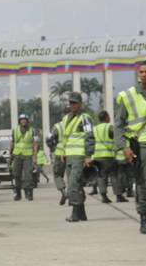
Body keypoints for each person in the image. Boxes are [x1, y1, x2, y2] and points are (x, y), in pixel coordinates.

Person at [113, 60, 146, 236]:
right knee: (142, 182)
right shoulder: (127, 96)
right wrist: (123, 147)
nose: (143, 75)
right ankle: (144, 219)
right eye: (141, 72)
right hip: (141, 144)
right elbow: (118, 124)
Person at [60, 92, 95, 222]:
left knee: (74, 184)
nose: (72, 105)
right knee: (76, 185)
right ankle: (82, 213)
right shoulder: (67, 118)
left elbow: (89, 136)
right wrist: (63, 152)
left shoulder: (85, 118)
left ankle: (75, 213)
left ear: (81, 103)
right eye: (70, 102)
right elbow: (65, 137)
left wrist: (88, 155)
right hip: (69, 156)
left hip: (80, 156)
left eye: (75, 102)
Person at [92, 110, 124, 203]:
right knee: (114, 175)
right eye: (109, 116)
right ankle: (118, 196)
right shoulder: (109, 127)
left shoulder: (95, 129)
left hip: (97, 156)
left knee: (101, 176)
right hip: (108, 155)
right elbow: (117, 136)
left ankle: (104, 196)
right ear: (106, 118)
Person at [8, 113, 39, 201]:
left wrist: (35, 157)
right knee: (16, 174)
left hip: (28, 155)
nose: (23, 121)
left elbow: (36, 144)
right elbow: (12, 142)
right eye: (21, 119)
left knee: (28, 175)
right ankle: (18, 194)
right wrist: (10, 153)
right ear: (19, 121)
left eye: (25, 119)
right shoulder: (15, 130)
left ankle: (29, 193)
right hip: (17, 155)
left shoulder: (33, 130)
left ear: (28, 121)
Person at [47, 107, 71, 205]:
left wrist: (52, 147)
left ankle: (64, 192)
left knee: (57, 174)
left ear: (62, 115)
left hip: (59, 153)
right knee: (71, 177)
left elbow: (48, 138)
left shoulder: (57, 126)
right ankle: (73, 197)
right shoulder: (77, 124)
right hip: (73, 153)